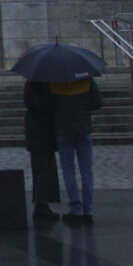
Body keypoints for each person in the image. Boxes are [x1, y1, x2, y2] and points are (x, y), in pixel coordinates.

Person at [50, 76, 101, 224]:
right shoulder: (86, 79)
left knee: (68, 171)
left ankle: (76, 209)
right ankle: (88, 211)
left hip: (63, 130)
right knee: (87, 171)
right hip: (84, 129)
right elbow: (97, 102)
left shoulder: (54, 81)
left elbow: (49, 106)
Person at [22, 80, 61, 225]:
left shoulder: (33, 83)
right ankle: (40, 207)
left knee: (43, 171)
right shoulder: (37, 84)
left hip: (39, 133)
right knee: (43, 171)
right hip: (41, 134)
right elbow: (41, 105)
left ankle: (43, 205)